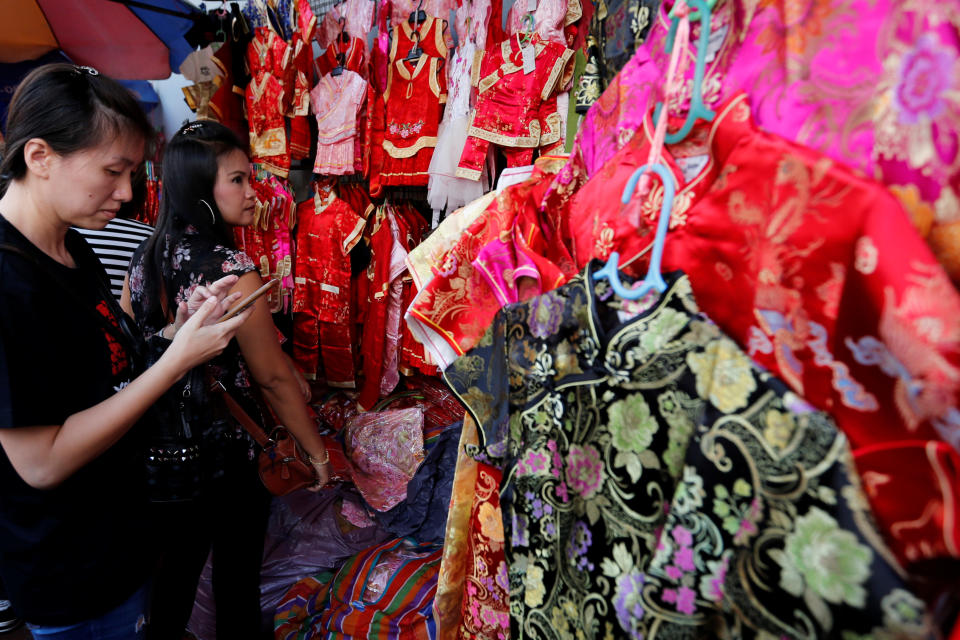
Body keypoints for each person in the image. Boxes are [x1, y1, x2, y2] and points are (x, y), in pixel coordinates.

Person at [0, 64, 253, 638]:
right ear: (39, 156)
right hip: (69, 570)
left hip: (117, 539)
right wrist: (175, 364)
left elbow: (106, 363)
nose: (127, 193)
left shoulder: (71, 247)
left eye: (133, 172)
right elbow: (41, 462)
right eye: (113, 171)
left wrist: (177, 329)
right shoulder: (10, 283)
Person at [123, 120, 331, 639]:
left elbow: (131, 352)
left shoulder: (144, 256)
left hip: (164, 450)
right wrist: (317, 454)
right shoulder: (231, 266)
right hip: (227, 452)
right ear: (202, 190)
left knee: (173, 579)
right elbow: (271, 378)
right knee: (237, 579)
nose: (251, 191)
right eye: (236, 180)